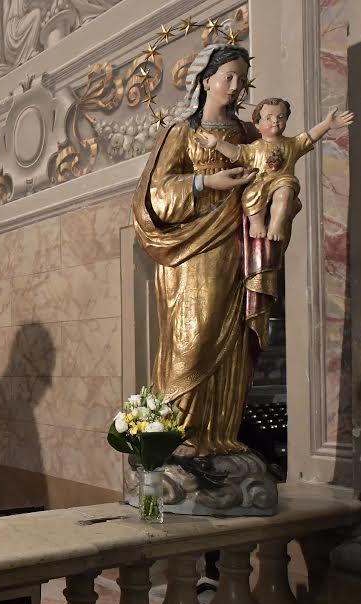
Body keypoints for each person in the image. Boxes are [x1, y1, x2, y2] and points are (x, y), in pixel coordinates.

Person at [132, 43, 271, 457]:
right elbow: (156, 195)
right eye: (228, 76)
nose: (236, 84)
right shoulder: (181, 133)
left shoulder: (248, 135)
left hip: (236, 244)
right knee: (193, 339)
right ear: (206, 81)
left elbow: (271, 172)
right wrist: (206, 182)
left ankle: (218, 436)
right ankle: (177, 435)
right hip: (192, 250)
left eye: (241, 78)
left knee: (231, 339)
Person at [195, 98, 354, 242]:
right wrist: (217, 144)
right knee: (250, 197)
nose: (275, 122)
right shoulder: (255, 148)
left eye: (280, 117)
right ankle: (256, 223)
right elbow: (236, 152)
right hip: (260, 184)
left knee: (284, 193)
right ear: (257, 124)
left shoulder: (292, 144)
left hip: (283, 181)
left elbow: (310, 136)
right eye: (268, 118)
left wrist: (327, 125)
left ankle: (276, 225)